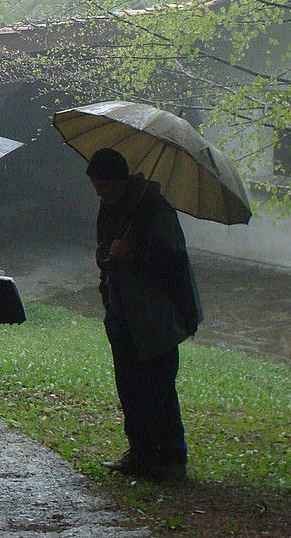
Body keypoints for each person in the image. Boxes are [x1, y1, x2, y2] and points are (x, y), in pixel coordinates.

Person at [86, 147, 203, 480]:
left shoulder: (154, 209)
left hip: (155, 318)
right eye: (96, 186)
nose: (100, 193)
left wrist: (134, 252)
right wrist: (106, 254)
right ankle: (140, 452)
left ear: (121, 180)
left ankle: (172, 458)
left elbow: (173, 261)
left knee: (158, 387)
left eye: (105, 186)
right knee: (130, 387)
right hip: (122, 314)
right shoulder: (111, 208)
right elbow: (106, 251)